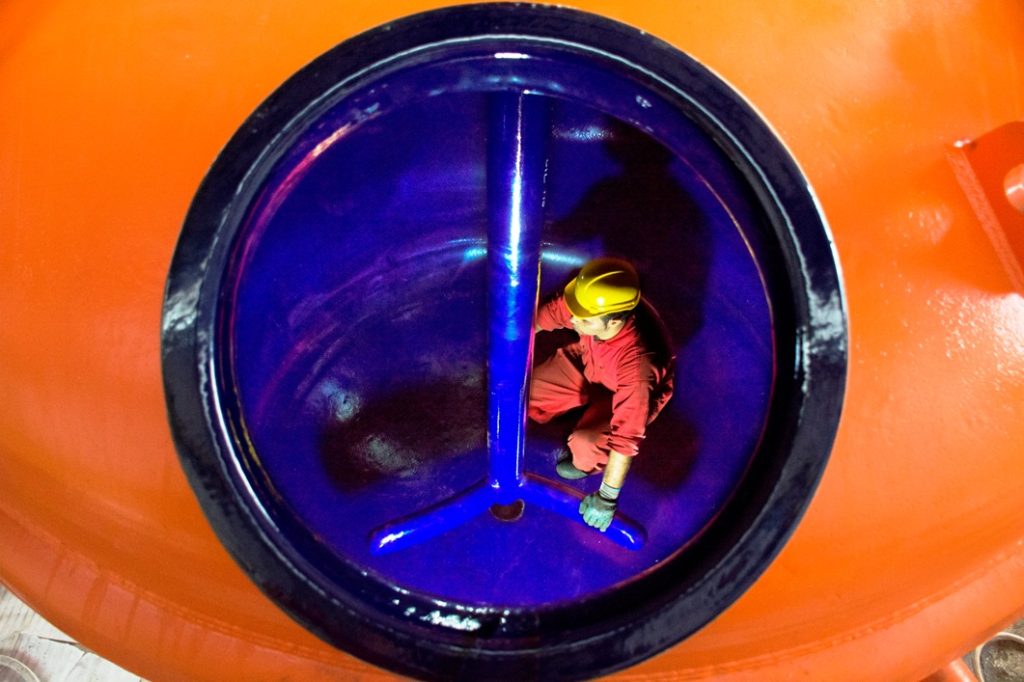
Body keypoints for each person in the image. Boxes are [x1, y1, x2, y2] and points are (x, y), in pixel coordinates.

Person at [529, 257, 675, 532]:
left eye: (582, 319)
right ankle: (577, 409)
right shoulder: (589, 306)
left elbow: (625, 439)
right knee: (528, 391)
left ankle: (586, 462)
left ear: (614, 322)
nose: (572, 319)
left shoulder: (638, 365)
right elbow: (539, 319)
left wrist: (607, 497)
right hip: (592, 363)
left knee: (586, 446)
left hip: (625, 394)